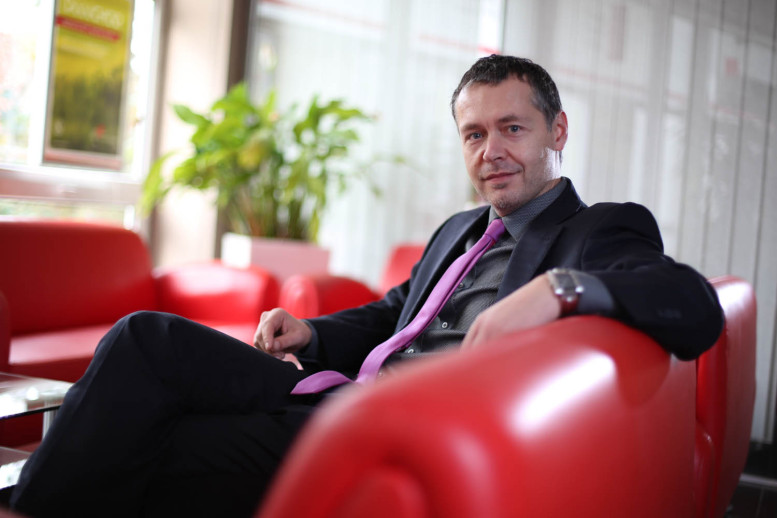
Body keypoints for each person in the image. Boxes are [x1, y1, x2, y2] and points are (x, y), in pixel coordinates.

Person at [10, 55, 723, 518]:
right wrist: (313, 332)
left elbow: (694, 307)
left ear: (556, 131)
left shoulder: (597, 229)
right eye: (474, 135)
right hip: (334, 393)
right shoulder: (458, 229)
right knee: (146, 368)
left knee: (153, 400)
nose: (491, 151)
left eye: (513, 128)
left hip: (397, 424)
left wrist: (558, 289)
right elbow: (394, 314)